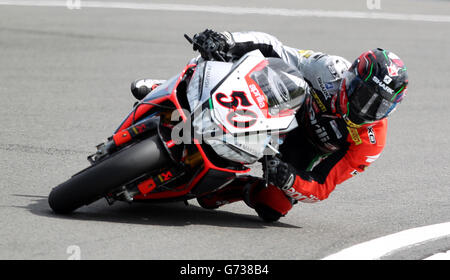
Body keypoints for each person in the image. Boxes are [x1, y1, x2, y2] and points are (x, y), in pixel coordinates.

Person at [131, 29, 409, 222]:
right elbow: (273, 47)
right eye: (363, 96)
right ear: (350, 77)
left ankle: (225, 186)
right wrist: (227, 40)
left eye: (379, 106)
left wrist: (289, 178)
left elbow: (323, 186)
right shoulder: (329, 69)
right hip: (283, 103)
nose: (365, 109)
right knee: (226, 55)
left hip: (304, 146)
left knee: (274, 205)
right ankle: (172, 86)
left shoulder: (370, 142)